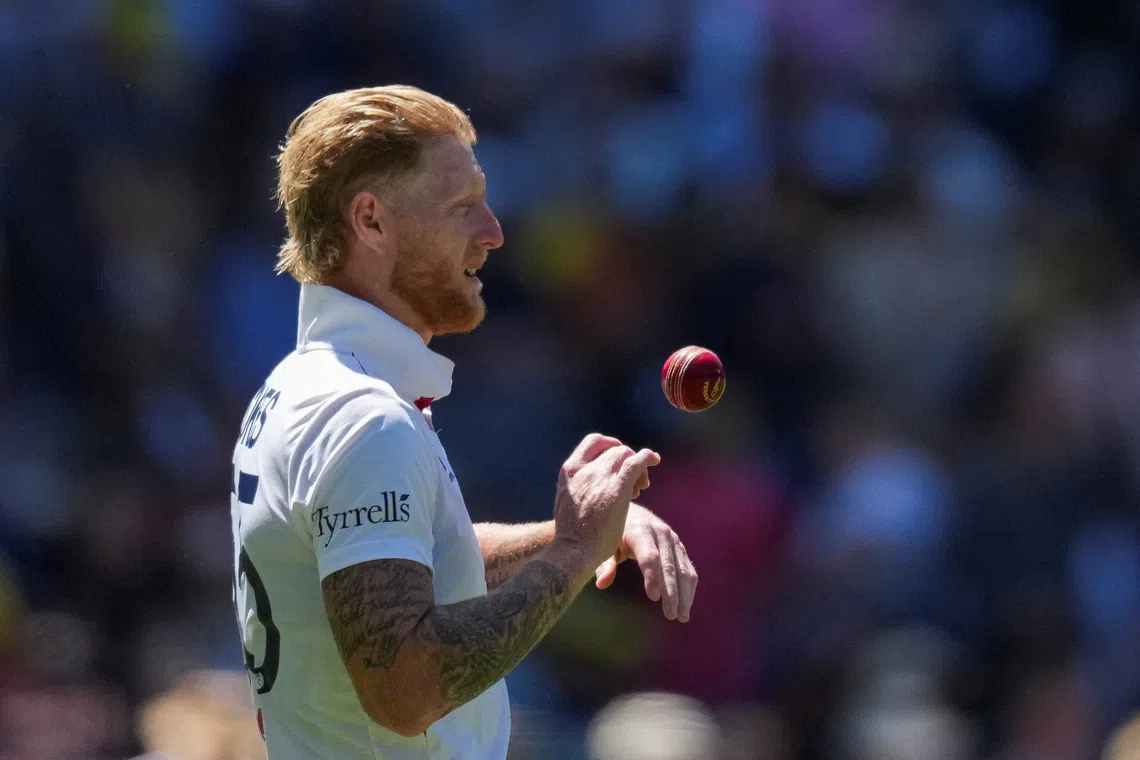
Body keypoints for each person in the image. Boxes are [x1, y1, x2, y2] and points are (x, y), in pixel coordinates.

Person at [228, 85, 699, 760]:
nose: (494, 232)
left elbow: (402, 565)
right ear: (372, 221)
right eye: (461, 207)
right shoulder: (365, 418)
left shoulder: (300, 388)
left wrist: (574, 535)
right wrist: (570, 558)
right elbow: (406, 691)